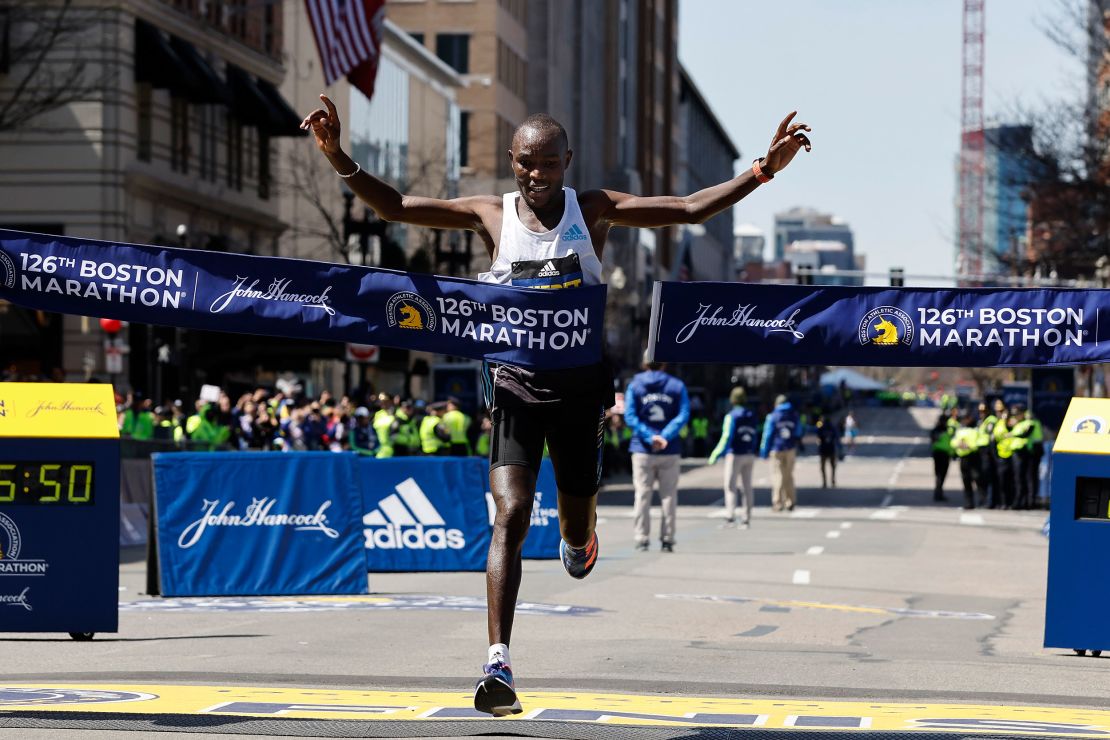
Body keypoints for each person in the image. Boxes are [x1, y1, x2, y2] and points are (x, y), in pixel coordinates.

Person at [301, 93, 811, 717]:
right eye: (522, 164)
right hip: (514, 386)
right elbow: (399, 207)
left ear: (566, 162)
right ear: (511, 162)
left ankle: (582, 539)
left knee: (573, 525)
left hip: (578, 393)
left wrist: (763, 170)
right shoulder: (492, 215)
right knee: (510, 515)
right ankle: (498, 663)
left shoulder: (591, 210)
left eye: (546, 165)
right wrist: (337, 157)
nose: (533, 176)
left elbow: (685, 208)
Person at [624, 353, 690, 552]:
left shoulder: (635, 385)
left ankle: (641, 537)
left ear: (644, 363)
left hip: (642, 449)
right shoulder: (677, 386)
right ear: (664, 363)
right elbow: (683, 414)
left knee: (642, 494)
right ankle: (668, 538)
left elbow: (630, 416)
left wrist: (649, 437)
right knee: (668, 495)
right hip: (669, 449)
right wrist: (665, 436)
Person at [708, 387, 758, 527]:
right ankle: (746, 518)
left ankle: (730, 517)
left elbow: (726, 436)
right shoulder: (752, 415)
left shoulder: (731, 416)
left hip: (735, 454)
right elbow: (755, 434)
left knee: (730, 486)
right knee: (747, 487)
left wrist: (716, 453)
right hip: (749, 453)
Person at [760, 394, 801, 512]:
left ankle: (777, 502)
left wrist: (764, 452)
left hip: (776, 449)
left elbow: (767, 435)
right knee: (789, 475)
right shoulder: (794, 415)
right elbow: (798, 431)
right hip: (791, 448)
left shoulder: (773, 416)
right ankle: (790, 501)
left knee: (777, 475)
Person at [951, 412, 980, 510]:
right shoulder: (960, 430)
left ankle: (982, 501)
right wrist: (959, 444)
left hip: (973, 457)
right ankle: (969, 503)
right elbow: (953, 442)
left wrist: (968, 445)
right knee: (966, 482)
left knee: (977, 479)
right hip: (963, 458)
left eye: (965, 419)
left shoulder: (975, 430)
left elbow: (977, 443)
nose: (964, 421)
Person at [929, 412, 955, 502]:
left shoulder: (947, 429)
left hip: (945, 454)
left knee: (941, 475)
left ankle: (939, 493)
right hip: (939, 454)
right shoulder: (937, 430)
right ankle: (938, 493)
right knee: (939, 475)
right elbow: (934, 439)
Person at [814, 413, 841, 489]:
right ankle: (832, 481)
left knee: (823, 467)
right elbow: (837, 438)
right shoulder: (832, 427)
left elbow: (817, 436)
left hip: (823, 450)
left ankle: (825, 482)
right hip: (831, 449)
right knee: (832, 467)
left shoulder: (821, 427)